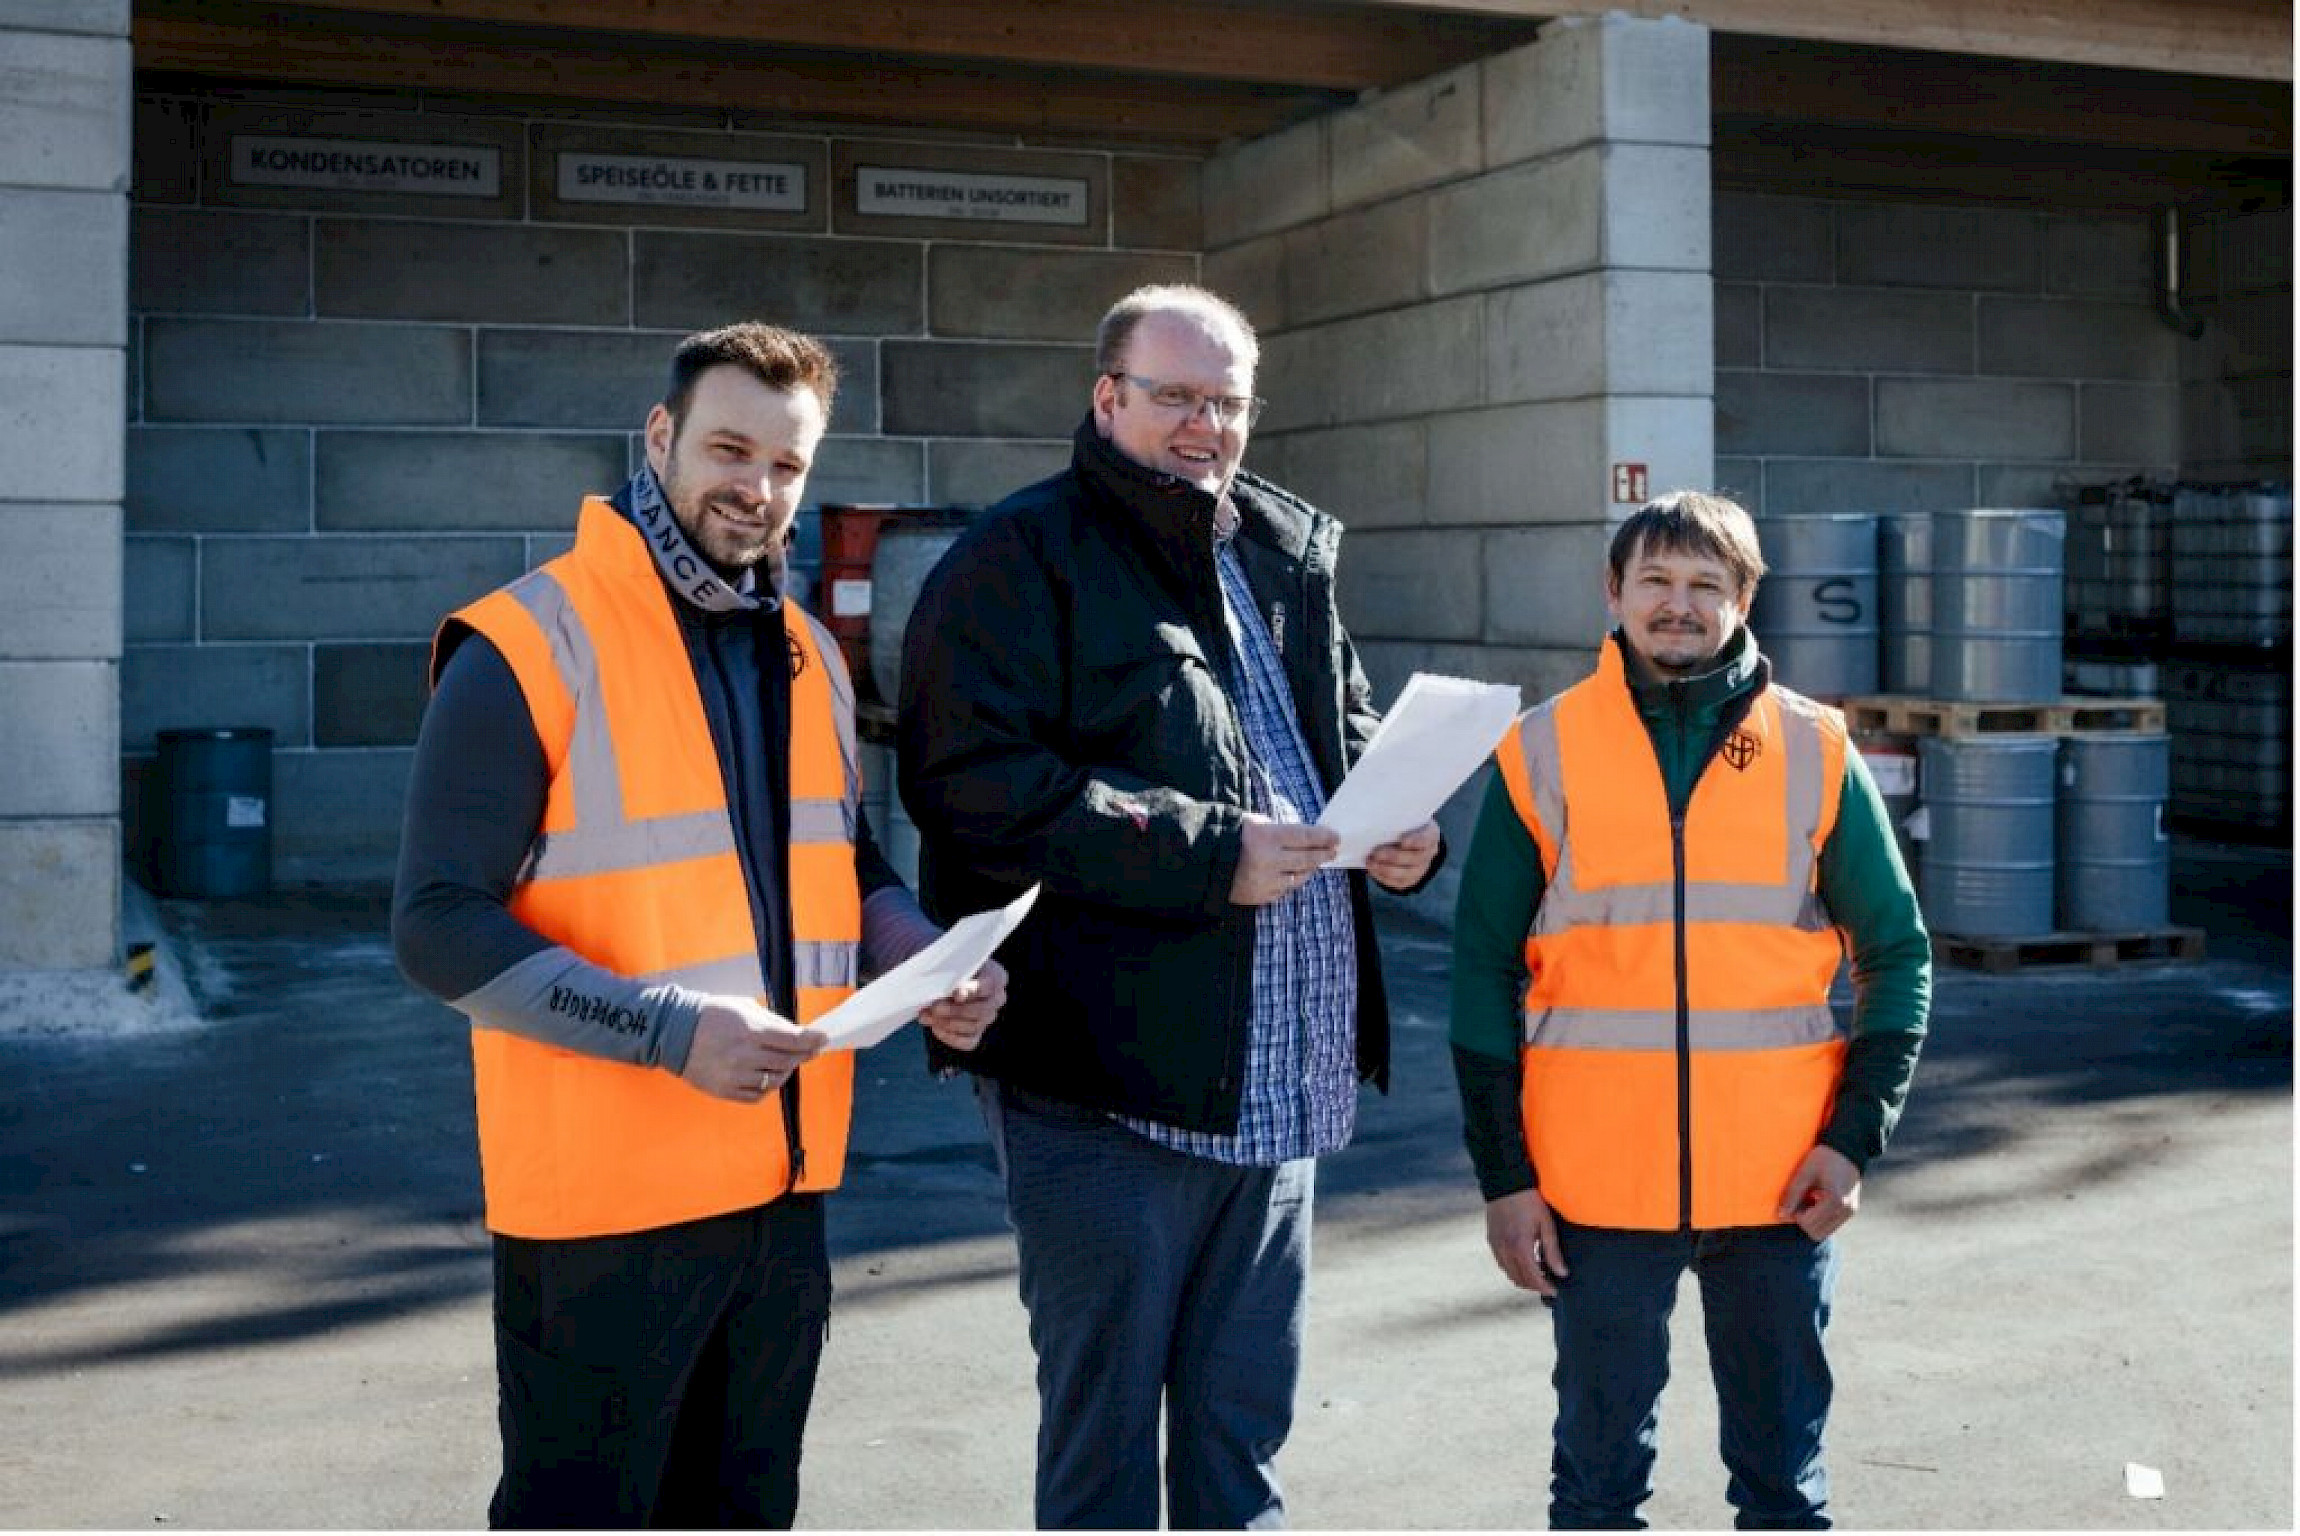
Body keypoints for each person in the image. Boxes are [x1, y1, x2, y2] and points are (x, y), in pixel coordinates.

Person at [391, 321, 1006, 1529]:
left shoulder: (803, 652)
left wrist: (919, 961)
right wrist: (669, 1032)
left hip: (780, 1193)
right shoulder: (525, 641)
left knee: (745, 1511)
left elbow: (846, 858)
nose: (758, 489)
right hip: (601, 1214)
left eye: (787, 466)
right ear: (660, 437)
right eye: (731, 449)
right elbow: (437, 926)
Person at [895, 283, 1444, 1529]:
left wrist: (1404, 828)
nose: (1204, 426)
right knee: (1102, 1462)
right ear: (1107, 398)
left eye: (1227, 402)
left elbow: (1342, 734)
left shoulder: (1283, 555)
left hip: (1278, 1085)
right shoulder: (1016, 558)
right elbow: (969, 783)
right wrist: (1208, 856)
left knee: (1238, 1446)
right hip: (1108, 1095)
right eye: (1175, 397)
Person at [1448, 490, 1932, 1530]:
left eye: (1704, 585)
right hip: (1591, 1194)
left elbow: (1894, 956)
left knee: (1781, 1489)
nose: (1677, 605)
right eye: (1655, 582)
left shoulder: (1814, 749)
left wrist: (1853, 1143)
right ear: (1612, 592)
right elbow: (1480, 969)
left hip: (1780, 1188)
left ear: (1743, 597)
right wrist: (1504, 1178)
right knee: (1595, 1487)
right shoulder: (1540, 750)